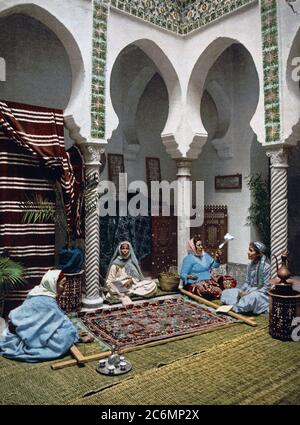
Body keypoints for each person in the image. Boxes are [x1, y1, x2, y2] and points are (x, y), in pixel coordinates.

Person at [0, 269, 91, 363]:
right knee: (66, 334)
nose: (64, 288)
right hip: (26, 332)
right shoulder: (48, 302)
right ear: (52, 284)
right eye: (62, 284)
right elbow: (61, 321)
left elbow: (45, 320)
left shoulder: (36, 291)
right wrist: (75, 336)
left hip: (17, 325)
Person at [180, 235, 237, 300]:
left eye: (201, 245)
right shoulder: (188, 259)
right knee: (209, 289)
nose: (201, 247)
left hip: (209, 280)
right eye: (198, 245)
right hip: (197, 283)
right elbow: (182, 274)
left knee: (229, 280)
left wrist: (217, 258)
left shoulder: (205, 255)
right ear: (193, 247)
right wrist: (190, 277)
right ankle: (223, 294)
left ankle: (223, 293)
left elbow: (215, 265)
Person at [221, 241, 271, 314]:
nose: (248, 252)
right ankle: (240, 305)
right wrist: (241, 291)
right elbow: (247, 282)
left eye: (251, 250)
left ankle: (240, 306)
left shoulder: (266, 267)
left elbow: (266, 288)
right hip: (248, 291)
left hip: (260, 294)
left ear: (258, 254)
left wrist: (248, 293)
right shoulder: (250, 265)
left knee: (251, 298)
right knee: (227, 292)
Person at [106, 241, 157, 305]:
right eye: (123, 248)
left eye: (127, 248)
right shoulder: (115, 264)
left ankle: (130, 293)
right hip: (120, 285)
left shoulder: (132, 262)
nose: (125, 250)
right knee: (113, 289)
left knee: (152, 284)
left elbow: (138, 277)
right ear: (119, 249)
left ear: (129, 250)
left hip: (132, 286)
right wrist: (120, 284)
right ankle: (126, 294)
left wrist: (131, 280)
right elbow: (109, 281)